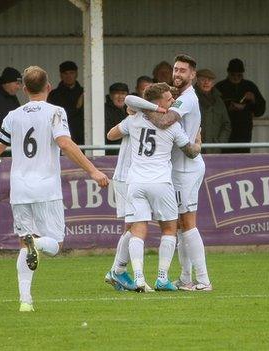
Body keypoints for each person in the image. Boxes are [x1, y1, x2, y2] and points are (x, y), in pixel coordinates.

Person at [0, 65, 109, 312]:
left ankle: (25, 300)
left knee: (24, 244)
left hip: (19, 189)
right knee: (55, 244)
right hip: (45, 189)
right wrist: (93, 170)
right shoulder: (56, 112)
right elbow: (64, 142)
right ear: (48, 87)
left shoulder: (13, 115)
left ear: (23, 89)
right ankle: (38, 244)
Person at [125, 54, 212, 291]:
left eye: (183, 70)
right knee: (181, 224)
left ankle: (203, 280)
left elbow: (164, 123)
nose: (177, 74)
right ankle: (185, 279)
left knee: (188, 222)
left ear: (193, 74)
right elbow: (132, 99)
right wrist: (151, 106)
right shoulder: (177, 96)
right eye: (175, 69)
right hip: (177, 167)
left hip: (186, 168)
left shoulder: (187, 99)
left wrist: (143, 112)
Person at [107, 82, 201, 292]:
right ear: (158, 103)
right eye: (168, 99)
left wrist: (132, 115)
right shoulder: (173, 126)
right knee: (169, 229)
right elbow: (191, 152)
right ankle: (162, 278)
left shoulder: (134, 119)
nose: (172, 102)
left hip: (136, 182)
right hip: (160, 182)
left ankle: (139, 278)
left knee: (137, 230)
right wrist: (198, 142)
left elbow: (111, 135)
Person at [215, 58, 266, 153]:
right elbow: (213, 110)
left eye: (239, 75)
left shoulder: (250, 86)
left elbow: (260, 111)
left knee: (242, 159)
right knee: (224, 158)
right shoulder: (220, 87)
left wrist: (253, 100)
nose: (236, 77)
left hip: (244, 132)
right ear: (228, 73)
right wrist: (228, 108)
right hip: (224, 131)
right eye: (233, 75)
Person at [194, 68, 231, 153]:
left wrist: (220, 143)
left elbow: (226, 124)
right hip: (194, 149)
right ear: (197, 80)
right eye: (203, 80)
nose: (206, 82)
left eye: (209, 80)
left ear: (213, 83)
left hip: (214, 149)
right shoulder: (190, 97)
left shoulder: (219, 101)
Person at [48, 61, 85, 144]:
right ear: (61, 75)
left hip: (82, 138)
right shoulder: (53, 95)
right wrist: (77, 107)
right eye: (65, 73)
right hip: (61, 136)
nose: (69, 76)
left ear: (76, 74)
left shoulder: (84, 92)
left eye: (71, 73)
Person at [104, 82, 129, 155]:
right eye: (117, 93)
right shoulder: (104, 110)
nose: (120, 96)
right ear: (111, 96)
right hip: (111, 152)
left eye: (123, 93)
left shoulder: (131, 110)